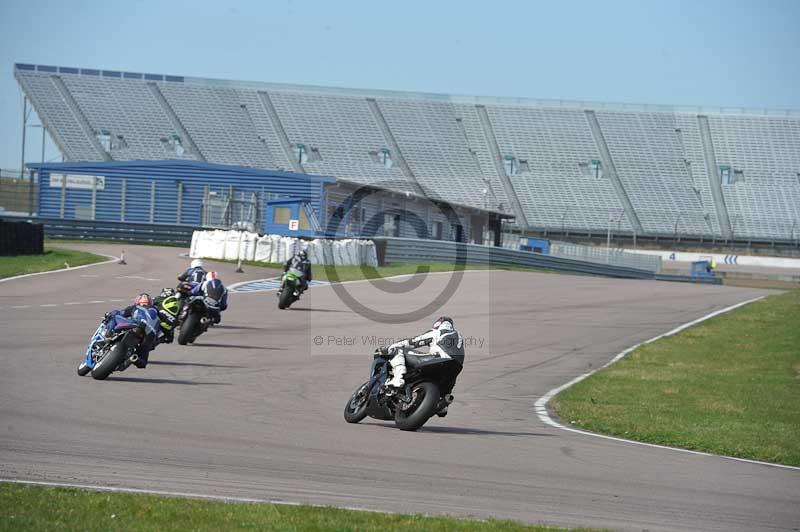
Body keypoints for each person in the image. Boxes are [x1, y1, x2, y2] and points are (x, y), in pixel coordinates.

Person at [384, 316, 465, 416]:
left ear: (438, 324)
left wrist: (389, 347)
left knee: (398, 350)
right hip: (455, 368)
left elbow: (412, 342)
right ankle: (442, 404)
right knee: (443, 402)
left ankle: (398, 378)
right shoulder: (458, 336)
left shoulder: (437, 332)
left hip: (438, 360)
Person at [103, 293, 160, 368]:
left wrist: (108, 315)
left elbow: (121, 313)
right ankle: (133, 359)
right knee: (143, 361)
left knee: (115, 315)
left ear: (137, 301)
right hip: (149, 334)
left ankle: (109, 335)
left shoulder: (135, 307)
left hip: (134, 325)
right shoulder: (157, 312)